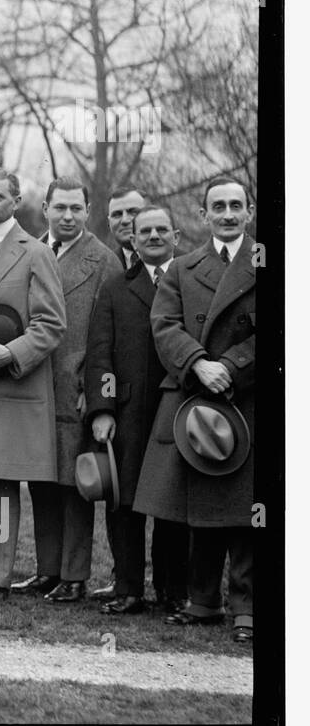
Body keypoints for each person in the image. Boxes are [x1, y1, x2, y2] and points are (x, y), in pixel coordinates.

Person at [136, 178, 258, 643]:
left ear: (248, 212)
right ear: (203, 215)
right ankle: (202, 600)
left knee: (249, 512)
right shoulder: (184, 268)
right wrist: (198, 364)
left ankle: (247, 607)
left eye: (236, 206)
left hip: (247, 398)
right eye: (218, 207)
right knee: (202, 506)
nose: (227, 214)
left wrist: (231, 364)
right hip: (197, 400)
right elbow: (163, 325)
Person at [0, 166, 66, 603]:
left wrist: (12, 354)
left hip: (12, 387)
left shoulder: (36, 253)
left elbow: (51, 323)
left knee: (2, 482)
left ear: (16, 201)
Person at [11, 177, 122, 602]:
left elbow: (106, 337)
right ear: (46, 209)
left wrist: (95, 394)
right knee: (41, 482)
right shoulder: (31, 251)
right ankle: (47, 570)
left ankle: (74, 576)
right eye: (60, 208)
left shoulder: (103, 260)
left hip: (74, 387)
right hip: (32, 385)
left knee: (76, 484)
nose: (68, 217)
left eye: (77, 208)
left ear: (88, 211)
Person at [83, 203, 189, 616]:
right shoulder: (114, 286)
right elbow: (99, 354)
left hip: (175, 411)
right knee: (123, 505)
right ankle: (127, 589)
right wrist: (103, 410)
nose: (153, 237)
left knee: (170, 505)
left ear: (176, 237)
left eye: (162, 230)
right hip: (126, 413)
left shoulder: (188, 282)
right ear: (133, 238)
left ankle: (171, 590)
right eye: (144, 231)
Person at [106, 187, 147, 273]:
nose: (125, 220)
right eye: (117, 214)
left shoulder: (179, 264)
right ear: (109, 223)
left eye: (133, 212)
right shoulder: (103, 267)